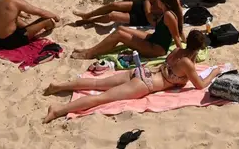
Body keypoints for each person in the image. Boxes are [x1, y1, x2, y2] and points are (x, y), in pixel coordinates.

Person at [42, 30, 220, 123]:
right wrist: (214, 71)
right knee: (102, 98)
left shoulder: (178, 51)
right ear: (199, 47)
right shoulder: (188, 64)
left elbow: (184, 63)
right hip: (147, 83)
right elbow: (199, 85)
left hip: (142, 71)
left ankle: (59, 86)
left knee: (98, 83)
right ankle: (58, 110)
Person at [70, 0, 183, 60]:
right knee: (121, 28)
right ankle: (91, 49)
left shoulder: (169, 15)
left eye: (158, 0)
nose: (156, 1)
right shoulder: (166, 12)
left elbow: (176, 36)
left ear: (162, 2)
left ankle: (89, 54)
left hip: (156, 49)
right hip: (153, 39)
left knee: (120, 34)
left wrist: (181, 55)